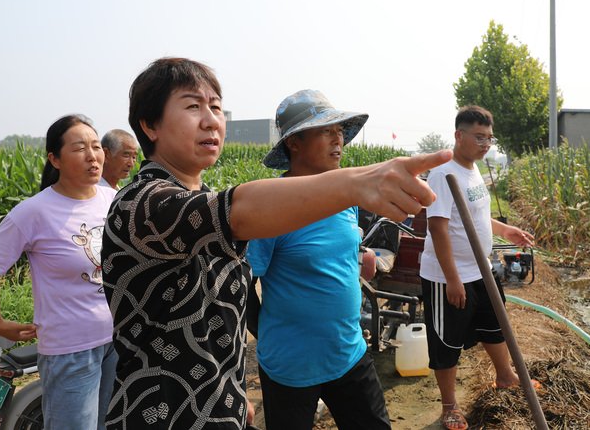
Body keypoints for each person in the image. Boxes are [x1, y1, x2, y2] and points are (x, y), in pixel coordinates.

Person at [101, 57, 452, 430]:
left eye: (216, 107)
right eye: (192, 106)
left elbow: (220, 309)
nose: (211, 119)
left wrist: (234, 389)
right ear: (150, 125)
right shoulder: (142, 204)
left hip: (228, 406)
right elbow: (236, 212)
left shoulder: (205, 198)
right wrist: (357, 182)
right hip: (167, 417)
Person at [245, 90, 390, 429]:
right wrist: (266, 334)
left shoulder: (345, 196)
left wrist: (359, 256)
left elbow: (339, 252)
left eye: (340, 130)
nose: (338, 138)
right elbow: (241, 287)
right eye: (326, 130)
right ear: (294, 143)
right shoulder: (270, 207)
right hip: (290, 366)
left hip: (348, 352)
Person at [0, 114, 118, 430]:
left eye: (97, 146)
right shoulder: (34, 211)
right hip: (70, 350)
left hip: (120, 341)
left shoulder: (114, 200)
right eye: (80, 148)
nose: (93, 155)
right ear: (55, 159)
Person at [419, 105, 536, 430]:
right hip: (448, 277)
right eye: (479, 137)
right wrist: (453, 279)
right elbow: (438, 228)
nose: (486, 144)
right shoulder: (444, 173)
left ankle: (505, 376)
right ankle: (449, 406)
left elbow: (477, 217)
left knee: (494, 325)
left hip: (482, 270)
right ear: (459, 135)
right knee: (448, 342)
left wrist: (505, 231)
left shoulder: (473, 171)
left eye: (489, 138)